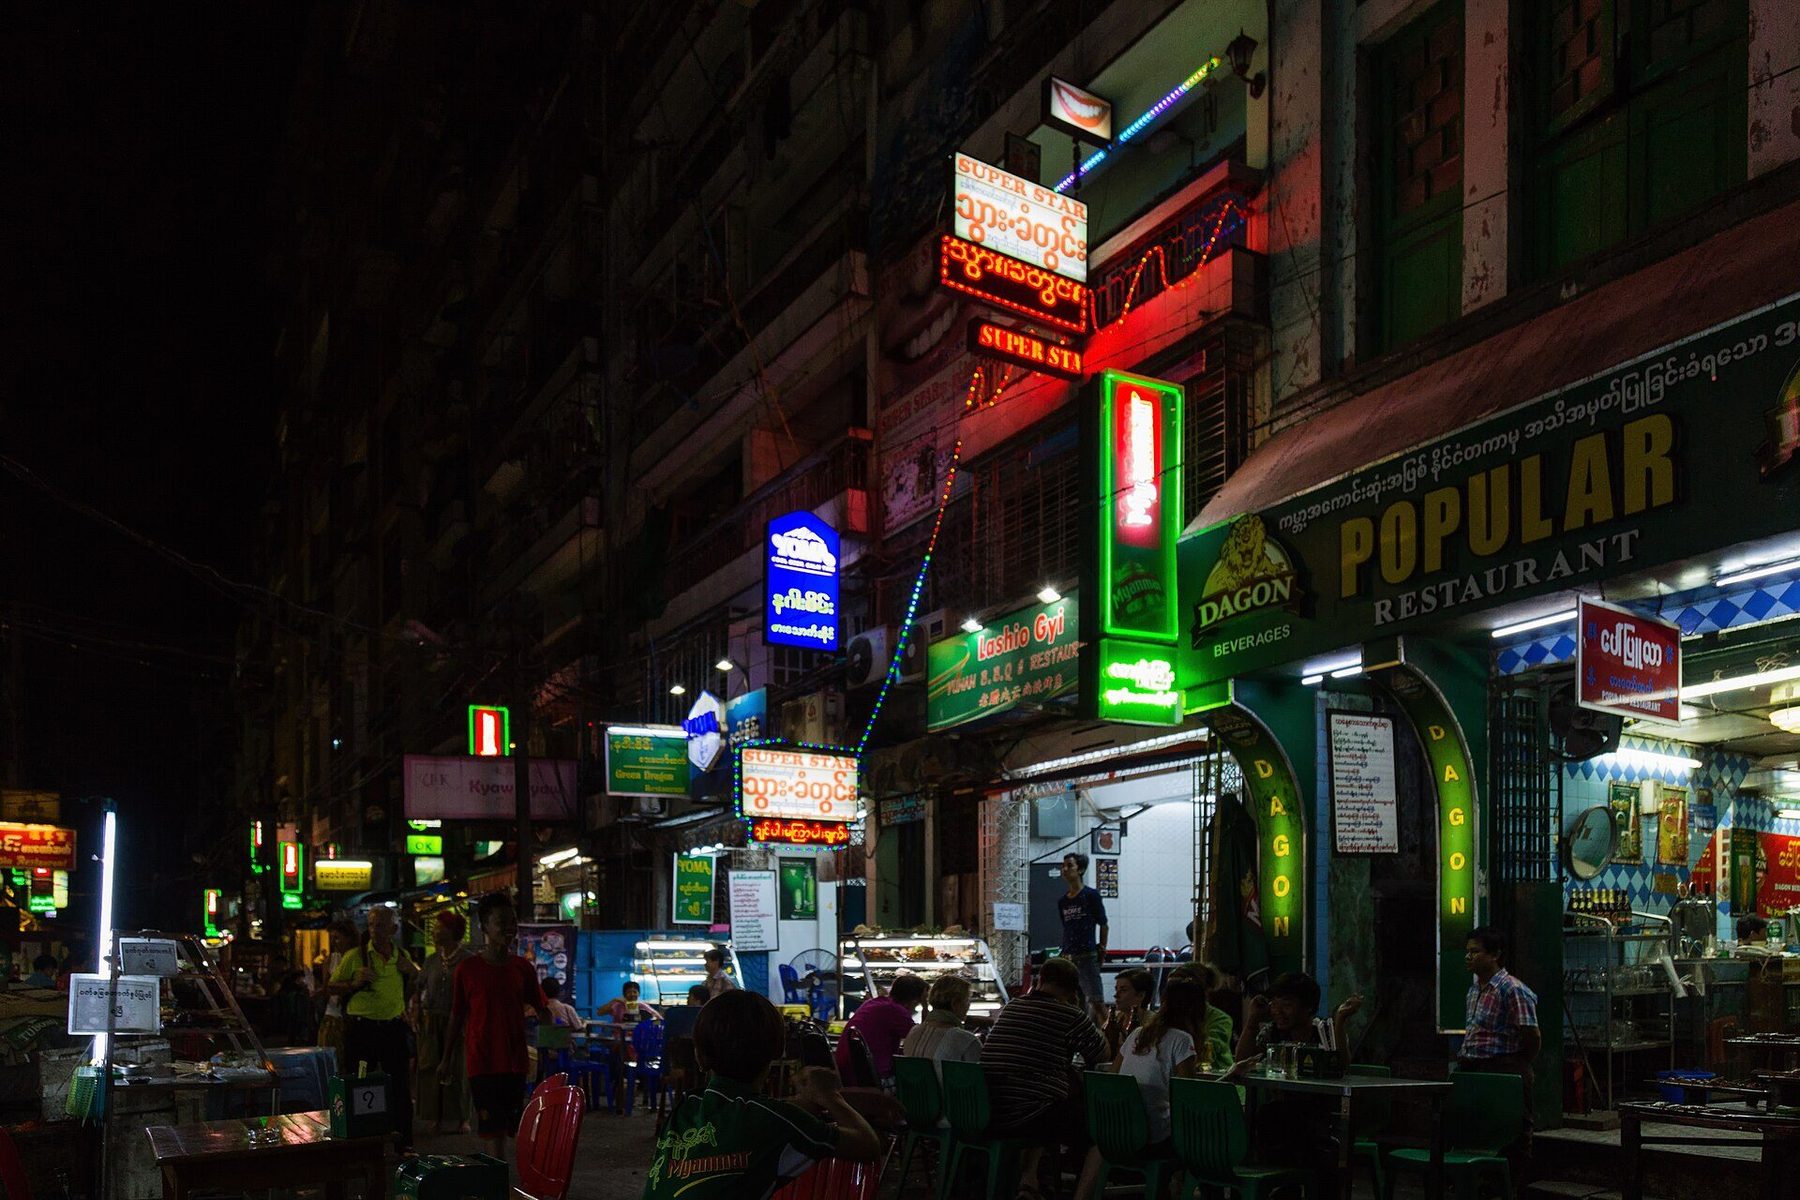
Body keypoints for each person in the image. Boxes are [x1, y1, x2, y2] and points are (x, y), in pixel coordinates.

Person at [643, 989, 881, 1199]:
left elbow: (760, 1113)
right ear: (778, 1051)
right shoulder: (775, 1121)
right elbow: (869, 1145)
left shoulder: (686, 1108)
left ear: (699, 1056)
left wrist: (806, 1103)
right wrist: (830, 1096)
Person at [1074, 975, 1213, 1199]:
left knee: (1099, 1147)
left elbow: (1112, 1078)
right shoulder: (1182, 1040)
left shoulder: (1138, 1034)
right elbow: (1188, 1097)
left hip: (1117, 1132)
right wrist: (1230, 1077)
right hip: (1153, 1139)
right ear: (1198, 1009)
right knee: (1204, 1136)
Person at [982, 956, 1109, 1192]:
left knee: (1050, 1099)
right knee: (1103, 1131)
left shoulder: (1013, 1007)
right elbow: (1102, 1054)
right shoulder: (1070, 1015)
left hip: (990, 1108)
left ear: (1040, 980)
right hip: (1030, 1115)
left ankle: (1029, 1181)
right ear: (1073, 990)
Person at [447, 893, 553, 1158]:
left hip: (515, 1061)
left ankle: (497, 1180)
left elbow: (542, 1008)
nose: (509, 927)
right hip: (481, 1061)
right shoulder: (467, 970)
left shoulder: (522, 968)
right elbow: (457, 1015)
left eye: (512, 921)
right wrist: (446, 1059)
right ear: (484, 926)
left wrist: (552, 1035)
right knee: (491, 1130)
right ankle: (498, 1184)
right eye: (501, 922)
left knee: (508, 1129)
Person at [328, 905, 420, 1154]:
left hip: (392, 1028)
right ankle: (361, 1142)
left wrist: (411, 974)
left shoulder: (400, 956)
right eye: (370, 925)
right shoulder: (355, 956)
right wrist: (354, 982)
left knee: (400, 1087)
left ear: (394, 929)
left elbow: (412, 985)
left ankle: (404, 1142)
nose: (374, 930)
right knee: (360, 1085)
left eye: (380, 925)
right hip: (362, 1031)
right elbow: (331, 986)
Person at [1458, 926, 1540, 1152]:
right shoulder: (1475, 989)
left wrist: (1518, 1063)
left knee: (1512, 1134)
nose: (1468, 956)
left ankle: (1510, 1184)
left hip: (1503, 1069)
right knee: (1476, 1131)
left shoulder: (1512, 989)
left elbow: (1532, 1035)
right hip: (1474, 1069)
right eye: (1467, 951)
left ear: (1495, 955)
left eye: (1475, 952)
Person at [413, 911, 472, 1135]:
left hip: (458, 1020)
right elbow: (419, 987)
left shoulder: (467, 960)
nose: (435, 932)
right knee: (431, 1068)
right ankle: (435, 1116)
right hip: (432, 1021)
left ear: (451, 931)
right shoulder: (431, 961)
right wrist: (416, 1011)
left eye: (439, 928)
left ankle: (462, 1117)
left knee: (459, 1068)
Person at [1232, 971, 1362, 1066]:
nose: (1278, 1012)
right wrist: (1252, 1021)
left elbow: (1343, 1068)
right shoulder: (1272, 1032)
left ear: (1309, 1006)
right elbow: (1242, 1061)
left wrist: (1340, 1021)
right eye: (1274, 1004)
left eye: (1286, 1005)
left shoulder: (1325, 1031)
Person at [834, 971, 926, 1086]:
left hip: (849, 1073)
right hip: (873, 1078)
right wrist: (926, 1005)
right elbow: (923, 1038)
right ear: (913, 1001)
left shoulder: (873, 1002)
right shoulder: (896, 1011)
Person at [1056, 853, 1109, 1022]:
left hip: (1086, 955)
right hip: (1068, 956)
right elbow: (1067, 927)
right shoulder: (1063, 901)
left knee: (1097, 1001)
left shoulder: (1090, 895)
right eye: (1063, 866)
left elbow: (1103, 924)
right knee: (1072, 1002)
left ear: (1081, 869)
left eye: (1069, 865)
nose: (1065, 869)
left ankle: (1113, 1037)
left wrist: (1102, 948)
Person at [315, 920, 357, 1065]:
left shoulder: (357, 957)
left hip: (351, 1016)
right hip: (332, 1014)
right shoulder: (331, 960)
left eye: (337, 938)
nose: (334, 942)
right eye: (331, 938)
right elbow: (327, 989)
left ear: (349, 937)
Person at [1104, 967, 1154, 1057]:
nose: (1116, 995)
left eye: (1123, 990)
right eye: (1116, 989)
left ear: (1141, 995)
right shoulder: (1117, 1018)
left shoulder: (1151, 1023)